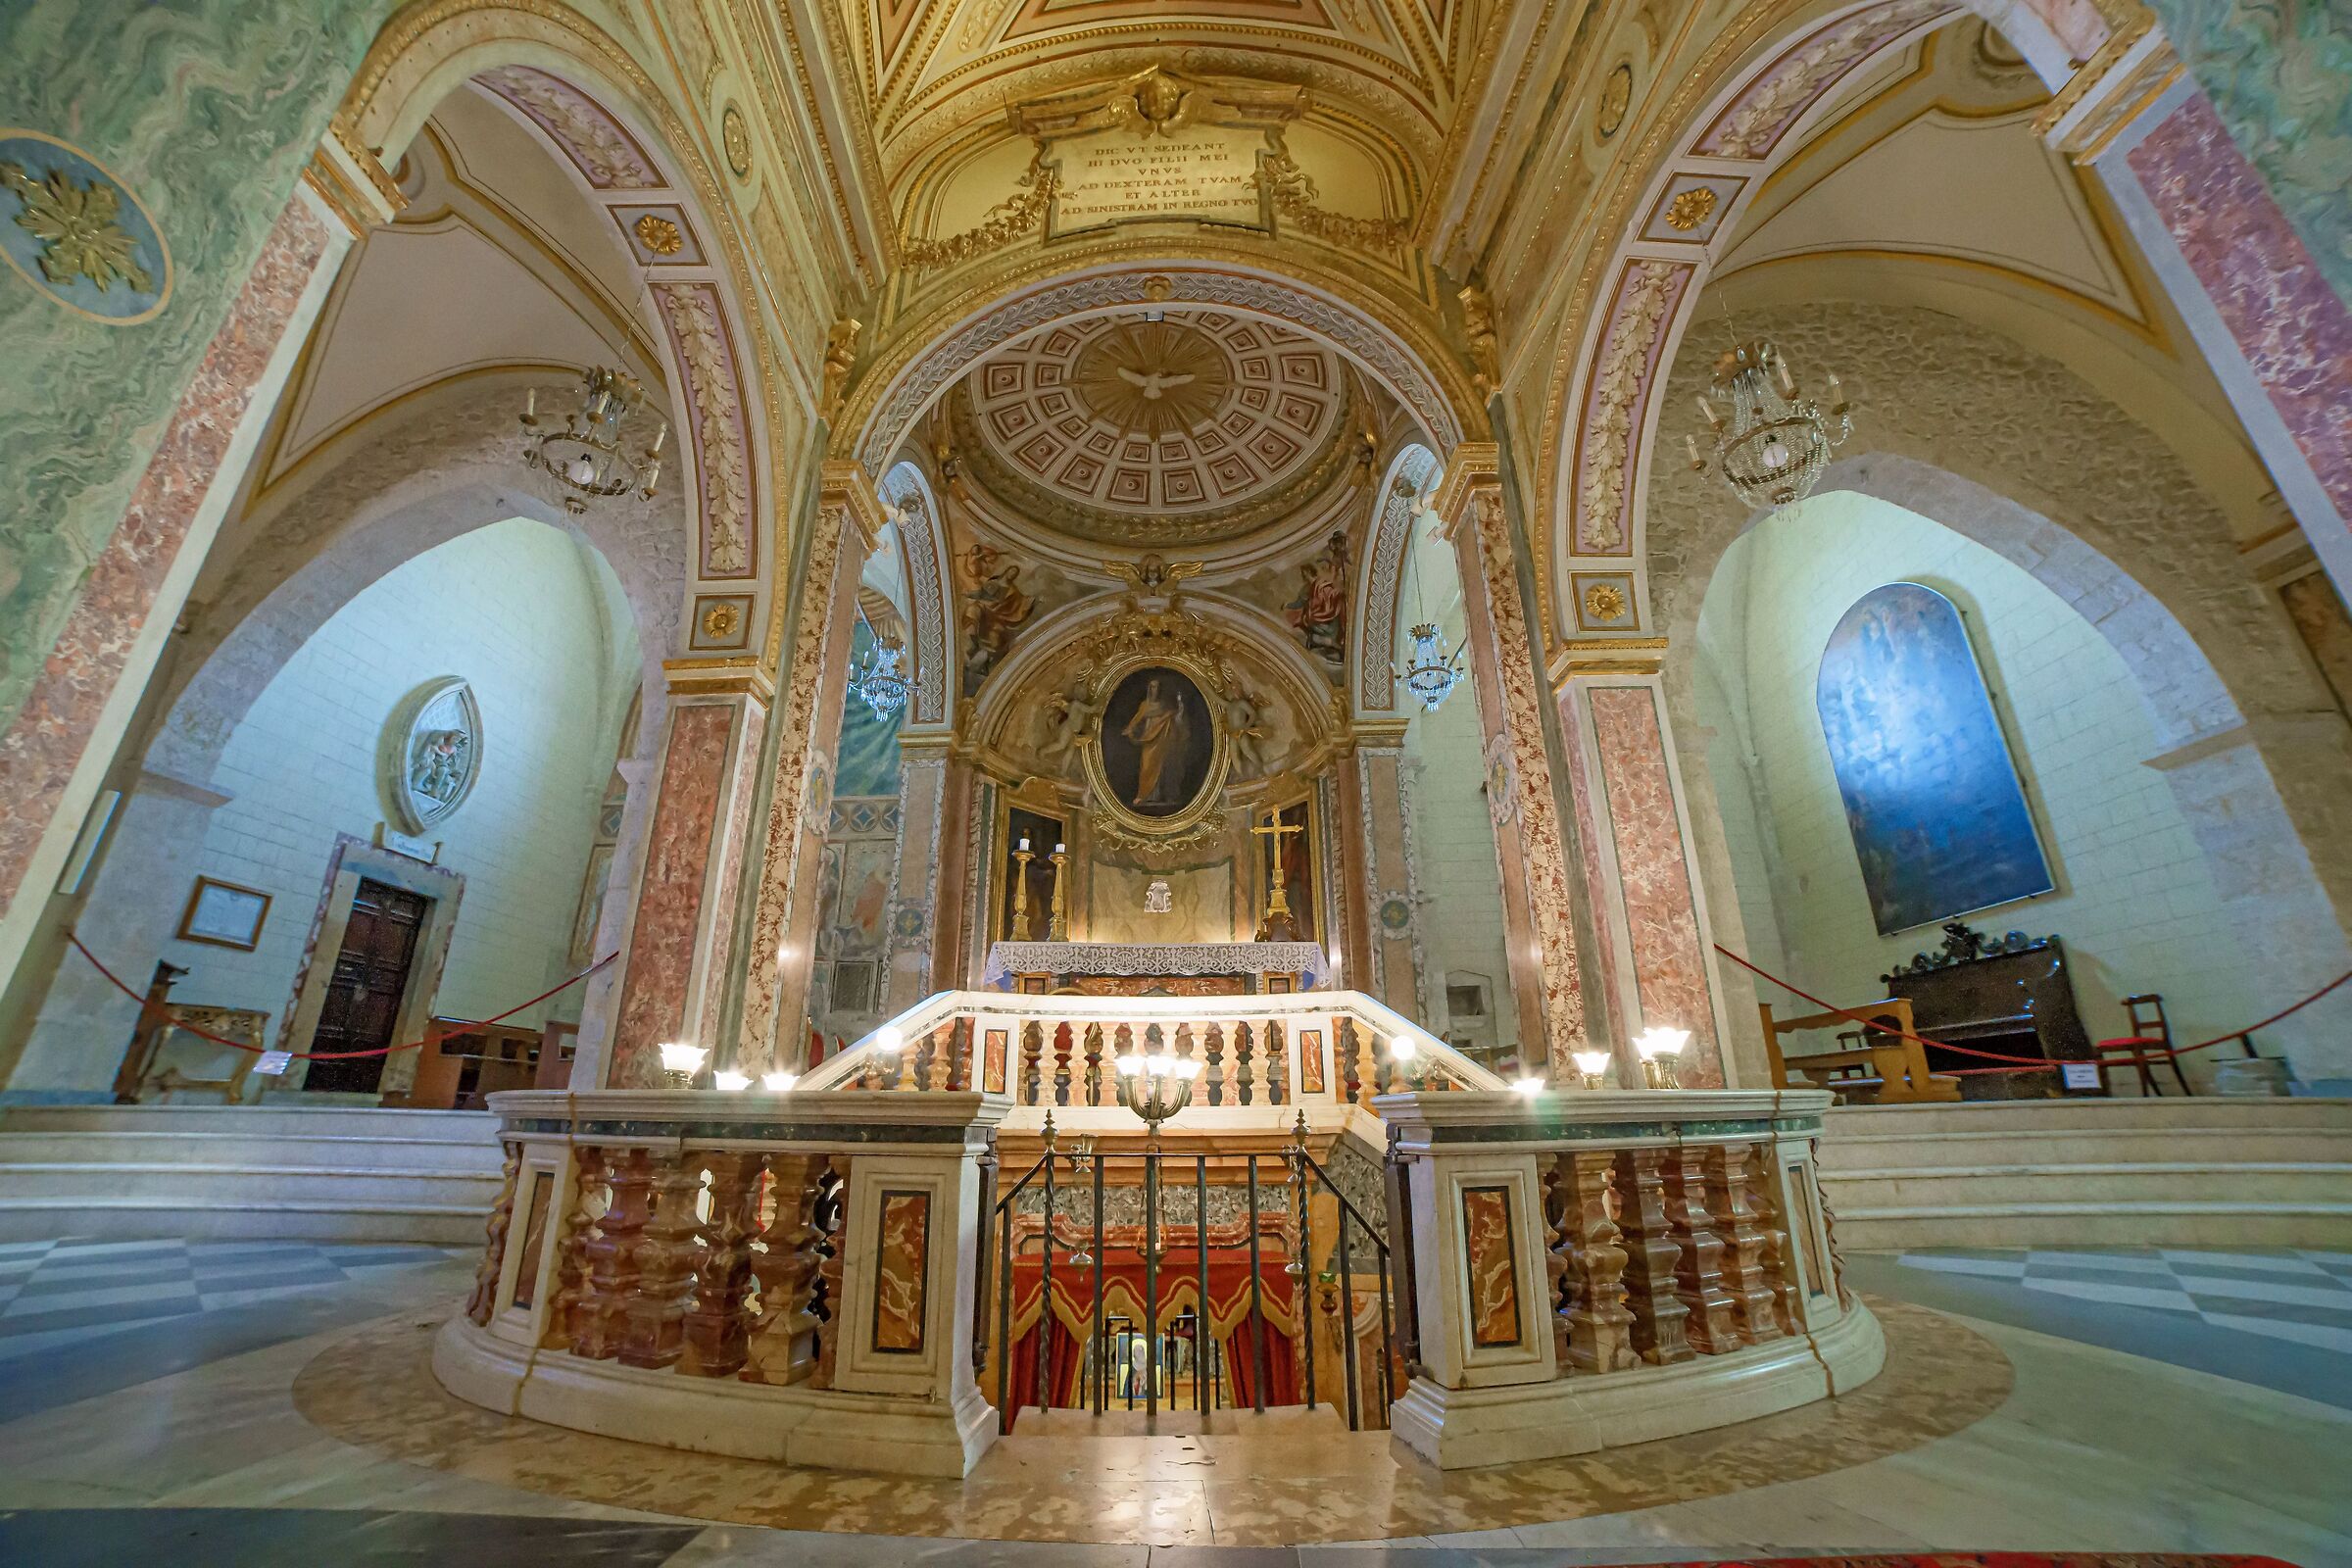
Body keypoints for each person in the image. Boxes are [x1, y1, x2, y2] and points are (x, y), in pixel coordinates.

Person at [1122, 677, 1191, 810]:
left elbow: (1173, 719)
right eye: (1153, 687)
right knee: (1147, 766)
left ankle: (1160, 795)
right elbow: (1137, 720)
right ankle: (1145, 795)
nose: (1155, 690)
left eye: (1158, 687)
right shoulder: (1144, 705)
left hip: (1162, 739)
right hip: (1148, 740)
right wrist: (1131, 729)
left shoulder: (1165, 706)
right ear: (1149, 689)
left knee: (1163, 766)